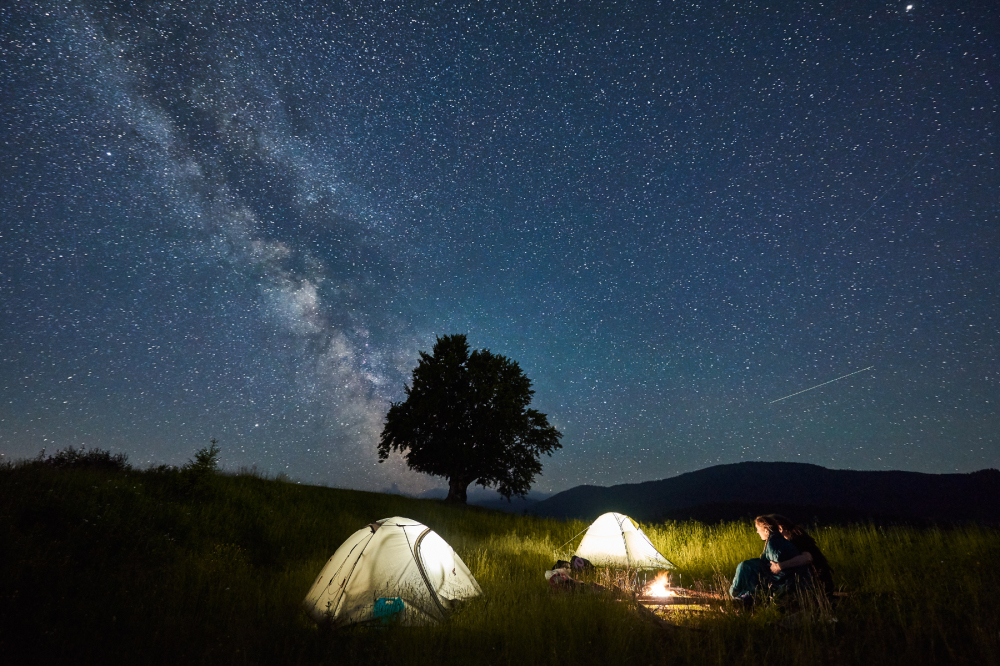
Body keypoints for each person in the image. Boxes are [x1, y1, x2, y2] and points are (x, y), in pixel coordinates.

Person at [729, 515, 810, 607]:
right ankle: (743, 596)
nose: (757, 532)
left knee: (745, 567)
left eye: (758, 529)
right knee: (747, 566)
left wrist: (773, 571)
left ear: (766, 530)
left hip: (786, 581)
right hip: (785, 578)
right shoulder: (775, 540)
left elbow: (779, 572)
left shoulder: (774, 544)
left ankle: (739, 595)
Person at [767, 514, 835, 602]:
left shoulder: (796, 538)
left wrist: (779, 566)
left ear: (780, 528)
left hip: (817, 582)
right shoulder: (790, 538)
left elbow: (807, 558)